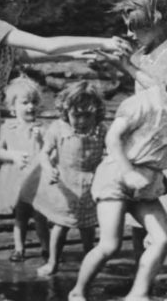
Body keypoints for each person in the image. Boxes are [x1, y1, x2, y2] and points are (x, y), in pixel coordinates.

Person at [0, 0, 131, 301]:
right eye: (20, 0)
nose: (22, 8)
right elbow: (45, 45)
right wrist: (103, 41)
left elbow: (30, 56)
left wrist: (86, 50)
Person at [68, 53, 167, 301]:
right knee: (110, 245)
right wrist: (128, 172)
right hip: (117, 177)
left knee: (164, 238)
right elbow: (112, 139)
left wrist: (157, 178)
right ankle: (78, 291)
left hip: (146, 185)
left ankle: (138, 293)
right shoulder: (143, 103)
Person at [105, 0, 167, 300]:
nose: (131, 34)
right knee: (140, 212)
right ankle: (142, 280)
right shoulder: (142, 53)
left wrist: (127, 67)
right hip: (141, 142)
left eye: (136, 27)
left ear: (157, 17)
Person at [34, 81, 107, 276]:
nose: (82, 121)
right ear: (66, 111)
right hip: (65, 184)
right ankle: (53, 261)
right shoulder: (58, 129)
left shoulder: (101, 130)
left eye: (87, 115)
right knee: (61, 224)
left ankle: (89, 259)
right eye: (77, 115)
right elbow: (44, 153)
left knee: (88, 226)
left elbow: (111, 152)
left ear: (96, 112)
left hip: (91, 185)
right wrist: (49, 168)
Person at [0, 76, 49, 262]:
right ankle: (19, 248)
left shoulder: (41, 128)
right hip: (16, 178)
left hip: (37, 179)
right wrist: (13, 155)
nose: (30, 107)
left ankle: (46, 248)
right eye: (25, 103)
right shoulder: (7, 128)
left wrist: (40, 138)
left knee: (40, 215)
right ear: (13, 107)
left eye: (34, 102)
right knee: (21, 216)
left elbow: (48, 151)